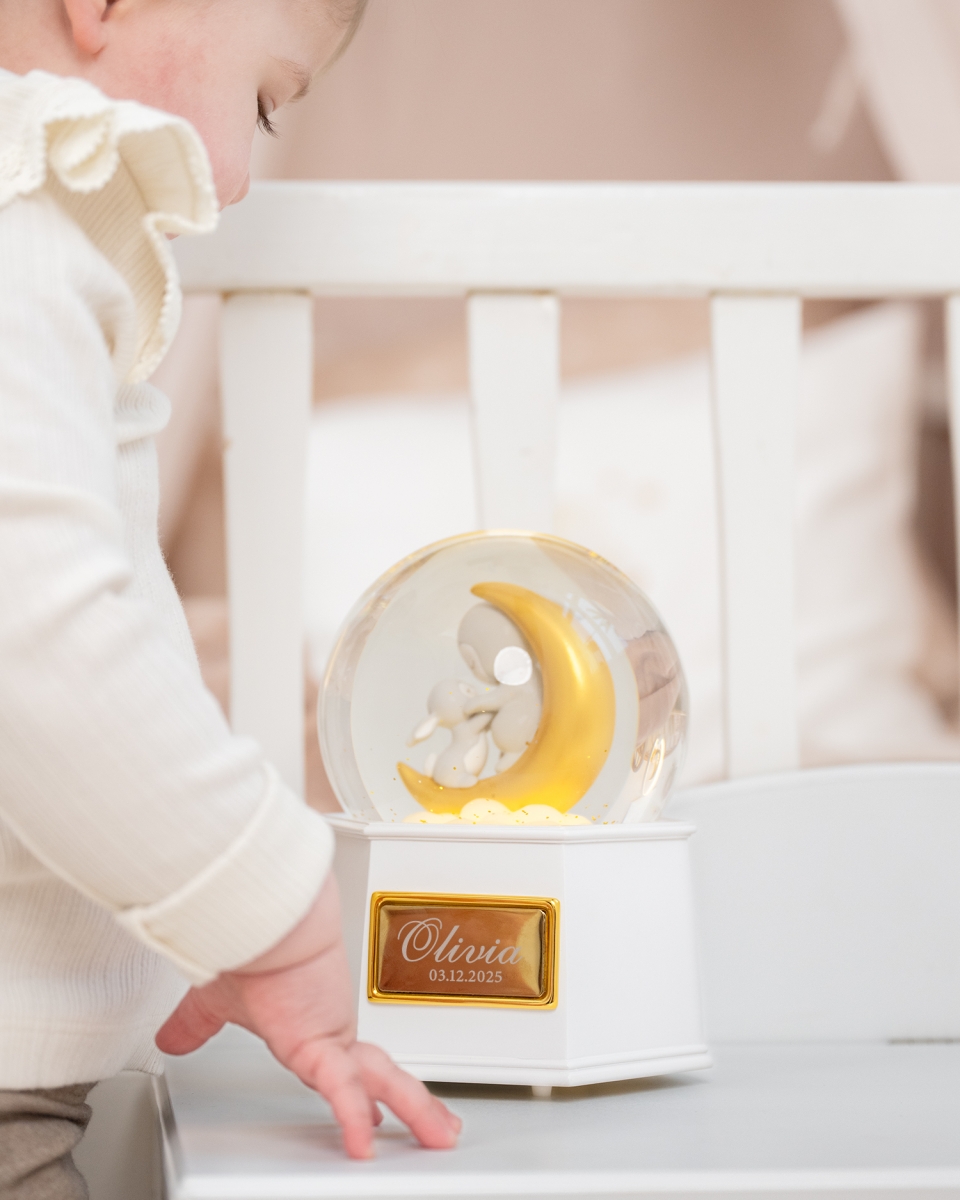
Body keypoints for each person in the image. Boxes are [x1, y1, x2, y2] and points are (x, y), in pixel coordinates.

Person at [0, 1, 461, 1193]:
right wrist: (274, 911)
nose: (242, 179)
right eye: (263, 101)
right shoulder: (24, 210)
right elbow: (39, 645)